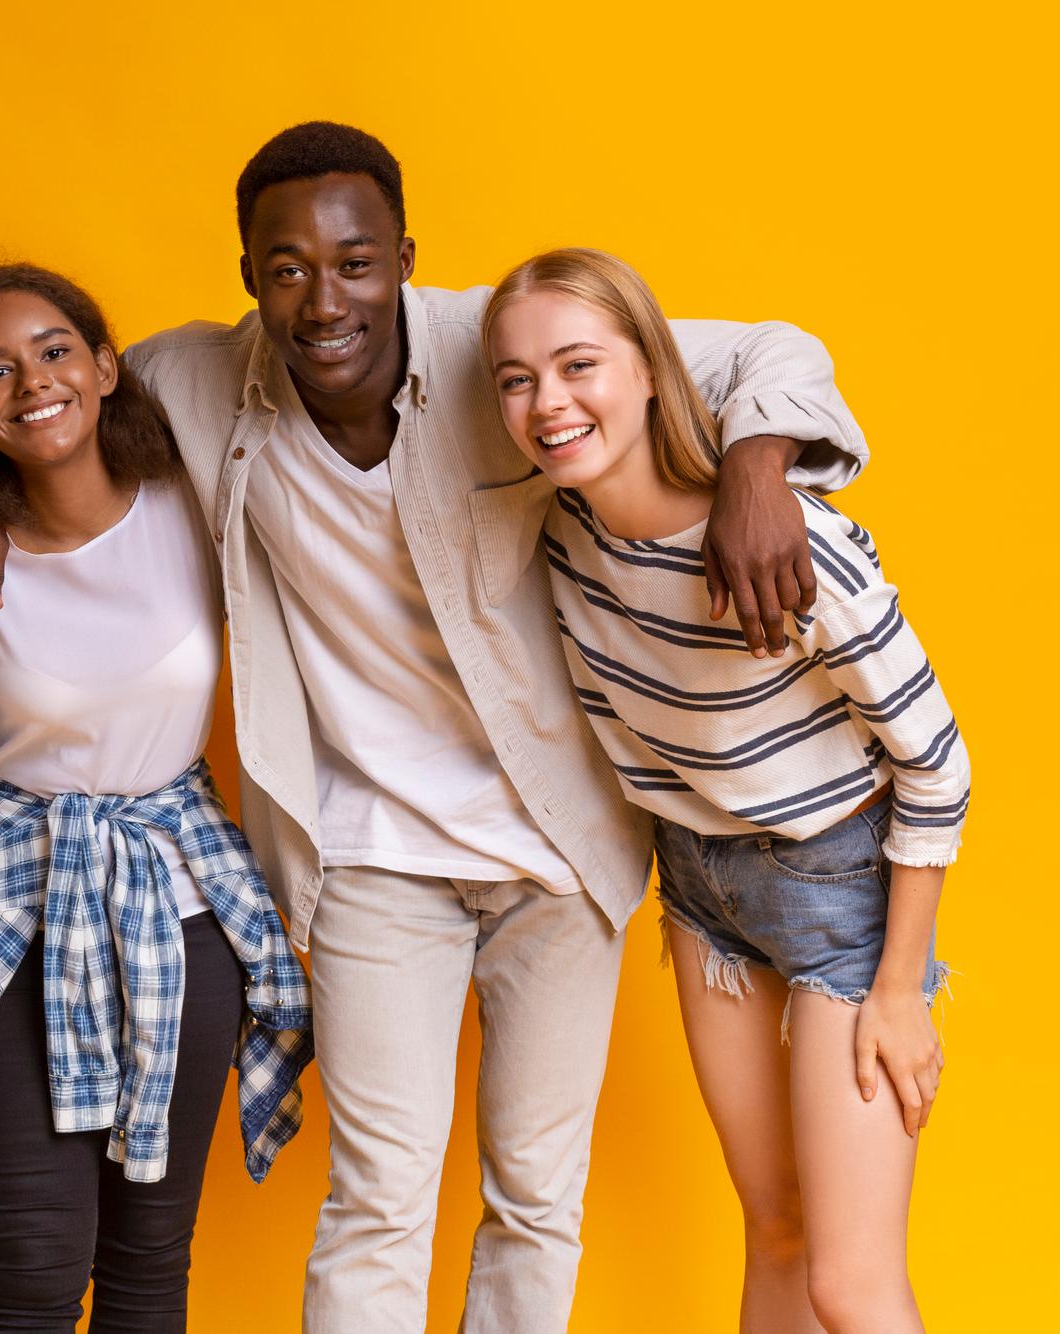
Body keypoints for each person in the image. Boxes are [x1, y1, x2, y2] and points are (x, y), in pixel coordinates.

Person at [0, 123, 871, 1333]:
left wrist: (753, 470)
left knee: (537, 1195)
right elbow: (27, 395)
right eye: (287, 269)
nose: (325, 299)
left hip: (556, 844)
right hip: (367, 855)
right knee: (379, 1197)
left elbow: (775, 352)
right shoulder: (195, 379)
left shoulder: (502, 349)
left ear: (406, 257)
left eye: (357, 261)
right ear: (250, 274)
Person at [483, 247, 962, 1333]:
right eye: (517, 380)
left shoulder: (791, 545)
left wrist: (896, 988)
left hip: (844, 890)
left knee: (850, 1281)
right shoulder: (566, 539)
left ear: (654, 368)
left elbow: (938, 762)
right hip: (701, 887)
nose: (548, 402)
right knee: (776, 1231)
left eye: (578, 365)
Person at [0, 264, 313, 1332]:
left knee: (149, 1264)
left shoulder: (195, 495)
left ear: (108, 366)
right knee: (31, 1268)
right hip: (9, 903)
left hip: (180, 892)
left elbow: (266, 351)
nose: (34, 382)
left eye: (57, 351)